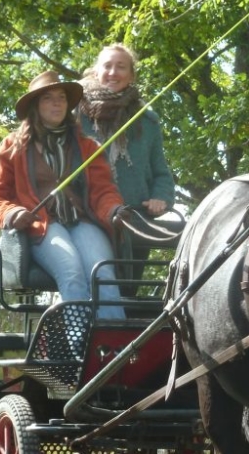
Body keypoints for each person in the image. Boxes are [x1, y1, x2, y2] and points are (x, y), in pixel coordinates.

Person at [0, 70, 129, 320]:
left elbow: (104, 192)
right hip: (43, 227)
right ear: (35, 107)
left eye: (61, 97)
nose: (57, 103)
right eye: (48, 98)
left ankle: (116, 348)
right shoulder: (11, 146)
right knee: (71, 272)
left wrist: (114, 210)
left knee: (103, 274)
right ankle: (78, 350)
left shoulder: (87, 146)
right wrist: (12, 213)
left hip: (83, 223)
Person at [78, 45, 177, 293]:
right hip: (87, 218)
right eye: (107, 66)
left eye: (121, 67)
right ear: (96, 71)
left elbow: (161, 173)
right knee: (92, 285)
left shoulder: (147, 121)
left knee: (127, 291)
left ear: (131, 75)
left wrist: (161, 198)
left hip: (134, 221)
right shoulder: (76, 117)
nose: (113, 72)